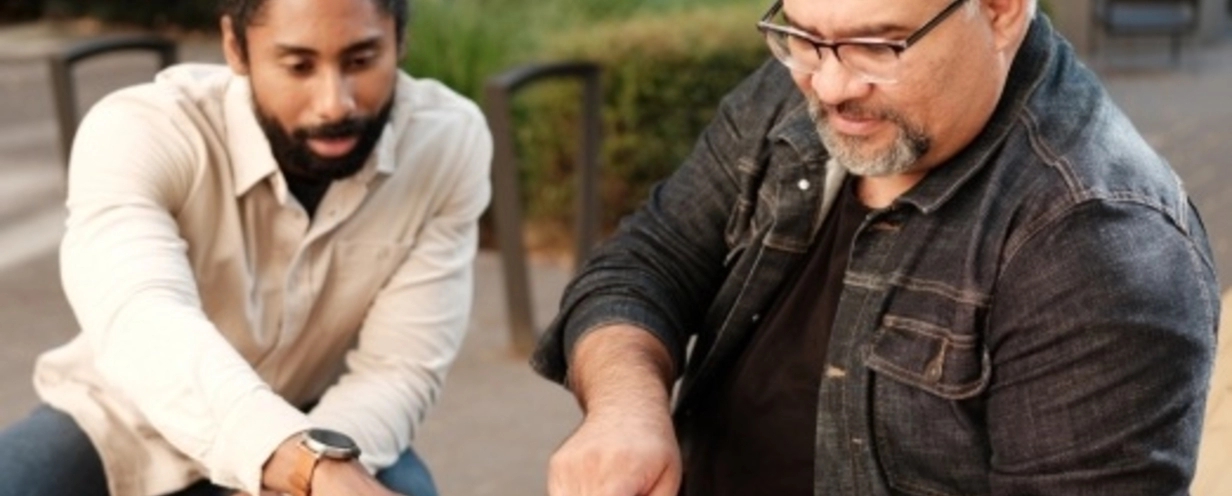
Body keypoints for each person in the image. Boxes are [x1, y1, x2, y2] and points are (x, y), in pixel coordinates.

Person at [531, 0, 1220, 495]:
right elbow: (645, 262)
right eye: (802, 35)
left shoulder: (1101, 241)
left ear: (1002, 10)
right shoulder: (792, 89)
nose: (831, 86)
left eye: (880, 46)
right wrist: (627, 408)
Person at [0, 0, 491, 494]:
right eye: (299, 66)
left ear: (399, 41)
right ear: (236, 48)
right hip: (122, 421)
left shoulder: (446, 142)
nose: (335, 103)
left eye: (361, 61)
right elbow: (143, 317)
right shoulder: (142, 130)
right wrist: (302, 465)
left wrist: (313, 461)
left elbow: (397, 369)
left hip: (327, 417)